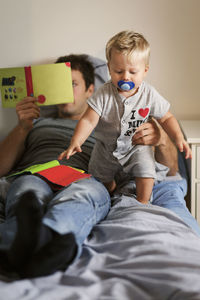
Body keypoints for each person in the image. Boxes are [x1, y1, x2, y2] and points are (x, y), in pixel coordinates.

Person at [0, 54, 199, 280]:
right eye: (60, 83)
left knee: (83, 195)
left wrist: (161, 138)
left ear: (90, 89)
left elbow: (170, 171)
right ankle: (16, 242)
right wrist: (22, 127)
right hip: (37, 172)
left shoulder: (113, 123)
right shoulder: (37, 124)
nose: (66, 89)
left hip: (85, 178)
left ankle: (56, 240)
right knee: (27, 192)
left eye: (73, 83)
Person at [59, 30, 191, 204]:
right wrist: (76, 141)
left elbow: (166, 118)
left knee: (146, 169)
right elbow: (88, 120)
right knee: (99, 174)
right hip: (106, 148)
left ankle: (143, 202)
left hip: (136, 145)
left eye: (133, 72)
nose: (125, 77)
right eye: (119, 71)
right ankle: (111, 187)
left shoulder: (149, 94)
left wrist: (178, 137)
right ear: (109, 68)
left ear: (145, 71)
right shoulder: (104, 93)